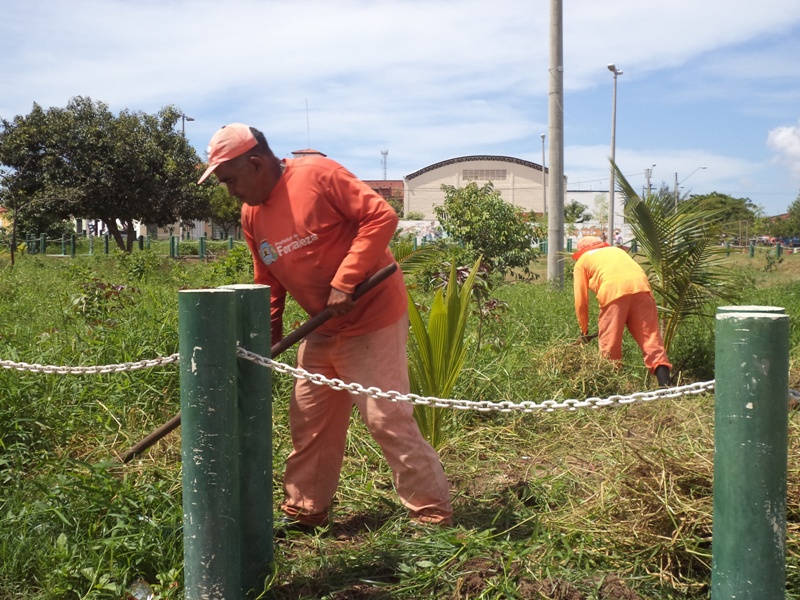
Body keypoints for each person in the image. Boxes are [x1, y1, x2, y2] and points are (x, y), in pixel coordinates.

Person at [198, 123, 453, 530]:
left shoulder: (317, 175)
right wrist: (268, 341)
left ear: (256, 162)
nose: (230, 191)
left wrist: (344, 280)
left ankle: (432, 513)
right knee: (310, 421)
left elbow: (381, 216)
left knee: (386, 418)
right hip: (322, 328)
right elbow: (268, 280)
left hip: (372, 318)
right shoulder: (252, 215)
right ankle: (305, 511)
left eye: (230, 180)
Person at [571, 236, 671, 386]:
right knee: (651, 340)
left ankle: (610, 390)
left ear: (581, 251)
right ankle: (667, 387)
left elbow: (581, 300)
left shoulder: (582, 261)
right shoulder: (617, 251)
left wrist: (583, 330)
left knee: (609, 346)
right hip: (642, 290)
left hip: (613, 294)